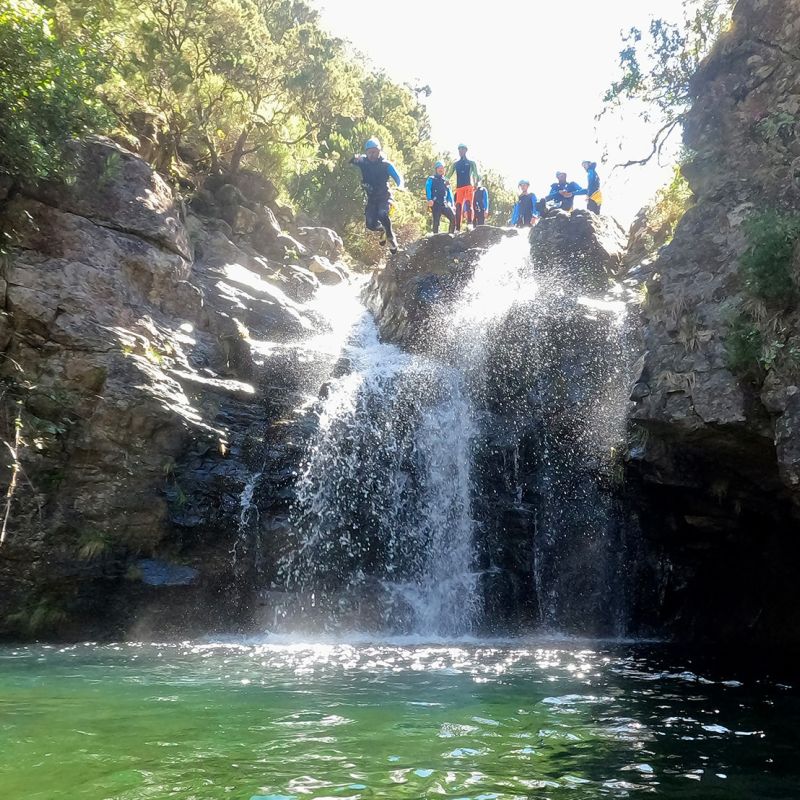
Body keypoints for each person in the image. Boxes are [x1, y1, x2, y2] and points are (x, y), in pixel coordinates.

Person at [349, 137, 404, 253]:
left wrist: (400, 186)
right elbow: (350, 160)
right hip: (372, 199)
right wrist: (354, 157)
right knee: (370, 224)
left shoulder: (385, 164)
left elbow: (398, 177)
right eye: (369, 152)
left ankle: (391, 238)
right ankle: (383, 230)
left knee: (382, 213)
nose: (372, 155)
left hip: (385, 197)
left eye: (374, 152)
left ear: (379, 151)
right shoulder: (363, 161)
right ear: (366, 152)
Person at [446, 144, 480, 231]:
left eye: (462, 150)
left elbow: (477, 174)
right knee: (458, 206)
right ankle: (457, 228)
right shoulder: (455, 164)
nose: (460, 151)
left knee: (469, 204)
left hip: (469, 186)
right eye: (459, 150)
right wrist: (446, 180)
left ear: (466, 150)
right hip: (459, 187)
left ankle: (469, 223)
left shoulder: (471, 163)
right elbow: (448, 174)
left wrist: (476, 183)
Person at [425, 161, 456, 234]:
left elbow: (449, 193)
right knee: (436, 222)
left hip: (444, 203)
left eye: (442, 168)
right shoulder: (431, 179)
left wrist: (452, 204)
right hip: (435, 203)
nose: (441, 169)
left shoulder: (445, 180)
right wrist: (429, 199)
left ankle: (451, 235)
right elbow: (428, 188)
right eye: (439, 168)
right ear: (436, 169)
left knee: (453, 218)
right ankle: (435, 238)